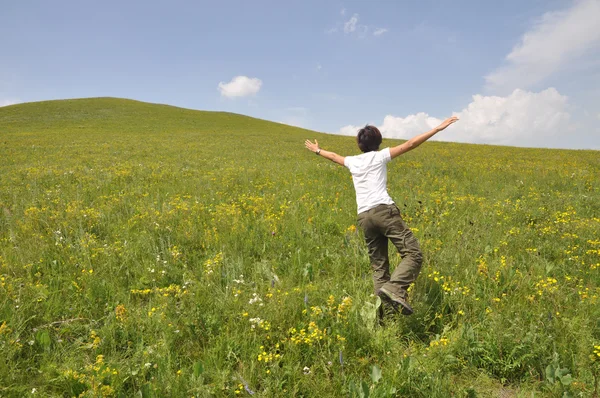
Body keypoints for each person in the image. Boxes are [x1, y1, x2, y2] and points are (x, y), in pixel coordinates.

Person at [304, 116, 458, 321]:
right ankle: (395, 289)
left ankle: (384, 319)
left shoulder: (352, 161)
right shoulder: (380, 157)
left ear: (360, 145)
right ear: (379, 142)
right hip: (384, 211)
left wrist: (317, 150)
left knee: (379, 267)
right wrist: (437, 129)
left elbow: (334, 156)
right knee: (414, 254)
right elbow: (411, 144)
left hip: (364, 217)